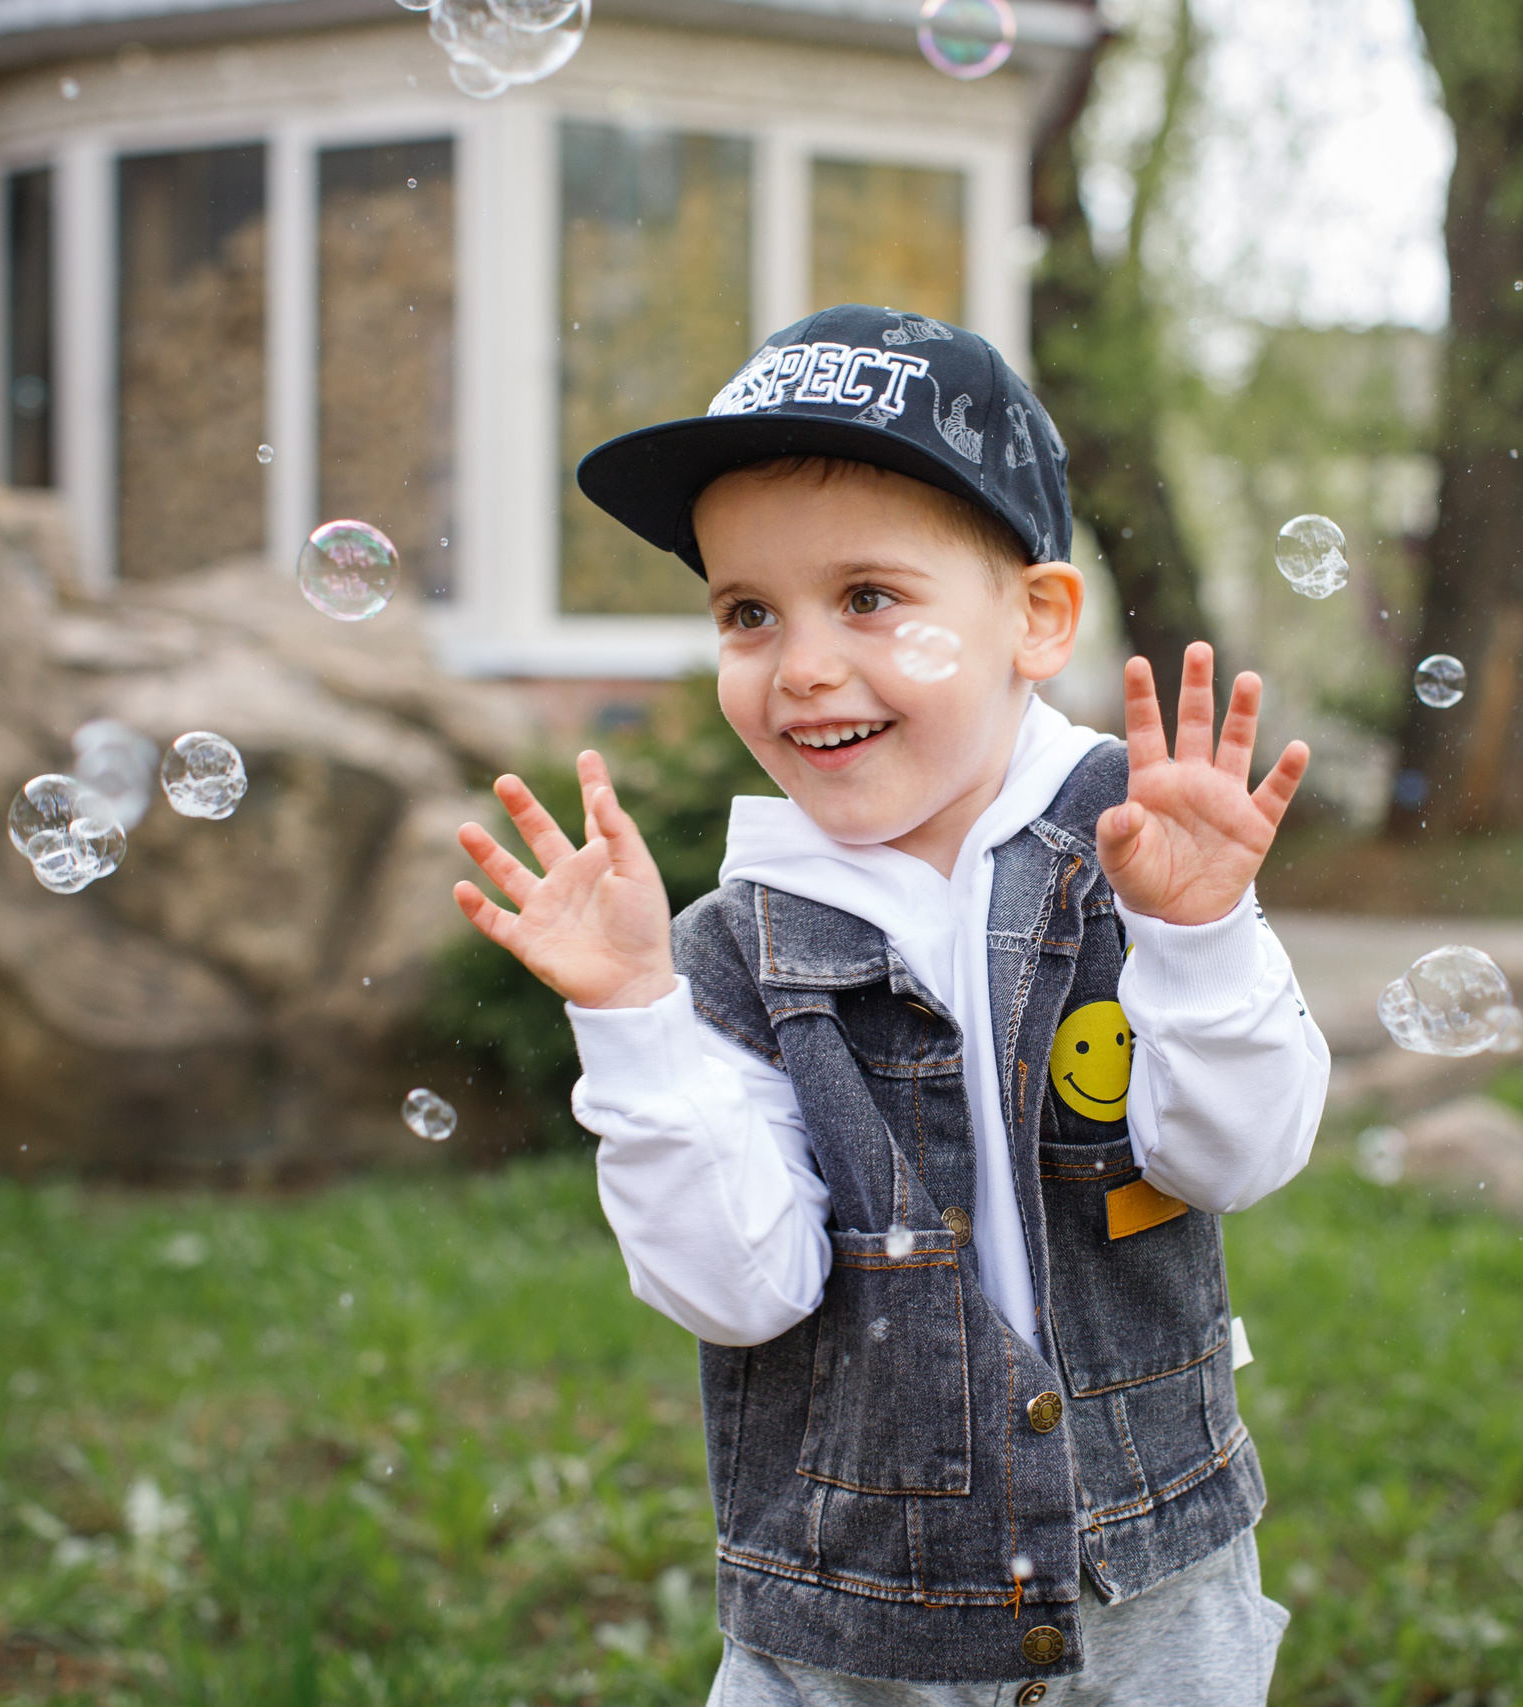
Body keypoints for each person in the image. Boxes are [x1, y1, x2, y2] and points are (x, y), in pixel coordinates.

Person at [452, 305, 1330, 1704]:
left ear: (1036, 619)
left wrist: (1202, 935)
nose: (798, 664)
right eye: (749, 612)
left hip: (1148, 1596)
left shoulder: (1145, 849)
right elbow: (743, 1292)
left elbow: (1235, 1156)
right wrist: (631, 1014)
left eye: (869, 596)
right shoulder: (732, 952)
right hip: (850, 1628)